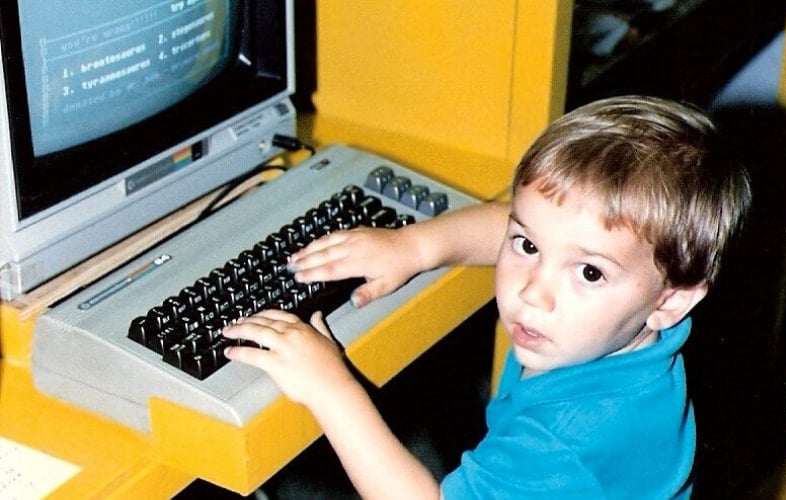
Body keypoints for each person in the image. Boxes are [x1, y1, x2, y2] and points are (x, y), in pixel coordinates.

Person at [223, 95, 751, 498]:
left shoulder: (569, 439)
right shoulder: (641, 324)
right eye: (528, 247)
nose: (531, 292)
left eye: (589, 273)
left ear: (672, 302)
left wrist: (329, 388)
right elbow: (514, 220)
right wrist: (415, 245)